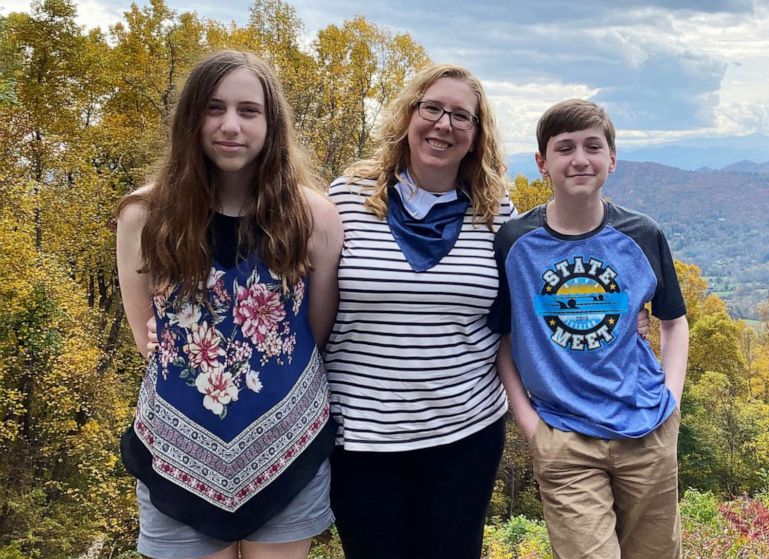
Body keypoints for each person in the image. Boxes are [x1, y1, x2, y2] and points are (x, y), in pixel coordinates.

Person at [115, 50, 342, 559]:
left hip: (287, 446)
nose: (230, 126)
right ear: (191, 117)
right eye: (214, 108)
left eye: (249, 110)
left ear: (272, 122)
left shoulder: (314, 218)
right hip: (175, 453)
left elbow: (315, 333)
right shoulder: (144, 215)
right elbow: (144, 339)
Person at [322, 63, 515, 559]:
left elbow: (531, 308)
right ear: (409, 117)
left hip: (465, 430)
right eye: (432, 108)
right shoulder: (347, 197)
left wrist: (629, 316)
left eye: (461, 116)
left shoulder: (497, 213)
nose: (444, 125)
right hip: (362, 434)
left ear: (476, 135)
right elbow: (295, 287)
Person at [487, 99, 690, 559]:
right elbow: (503, 337)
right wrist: (531, 425)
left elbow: (674, 324)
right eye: (565, 148)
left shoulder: (642, 234)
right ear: (542, 162)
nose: (580, 159)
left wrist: (672, 402)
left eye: (592, 147)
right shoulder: (516, 243)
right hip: (565, 438)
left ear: (611, 159)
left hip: (648, 431)